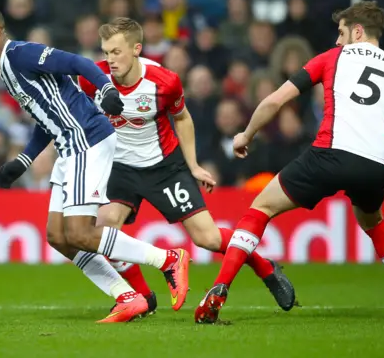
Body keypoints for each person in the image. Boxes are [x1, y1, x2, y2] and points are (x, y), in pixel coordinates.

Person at [195, 1, 384, 324]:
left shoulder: (333, 58)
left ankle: (220, 287)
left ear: (358, 31)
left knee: (260, 208)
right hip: (375, 167)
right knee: (373, 222)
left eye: (342, 33)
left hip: (329, 153)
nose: (337, 41)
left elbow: (276, 99)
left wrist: (246, 134)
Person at [0, 5, 191, 323]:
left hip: (88, 140)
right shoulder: (6, 71)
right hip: (70, 147)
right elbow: (47, 118)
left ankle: (168, 259)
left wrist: (107, 88)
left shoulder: (21, 54)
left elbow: (77, 62)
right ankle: (127, 297)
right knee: (58, 236)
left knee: (81, 233)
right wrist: (23, 161)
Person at [71, 17, 296, 315]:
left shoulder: (164, 82)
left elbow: (182, 118)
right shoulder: (92, 78)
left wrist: (193, 165)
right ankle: (142, 297)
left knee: (208, 238)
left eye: (117, 52)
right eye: (106, 52)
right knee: (101, 232)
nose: (110, 60)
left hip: (164, 167)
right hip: (120, 168)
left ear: (137, 49)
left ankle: (264, 267)